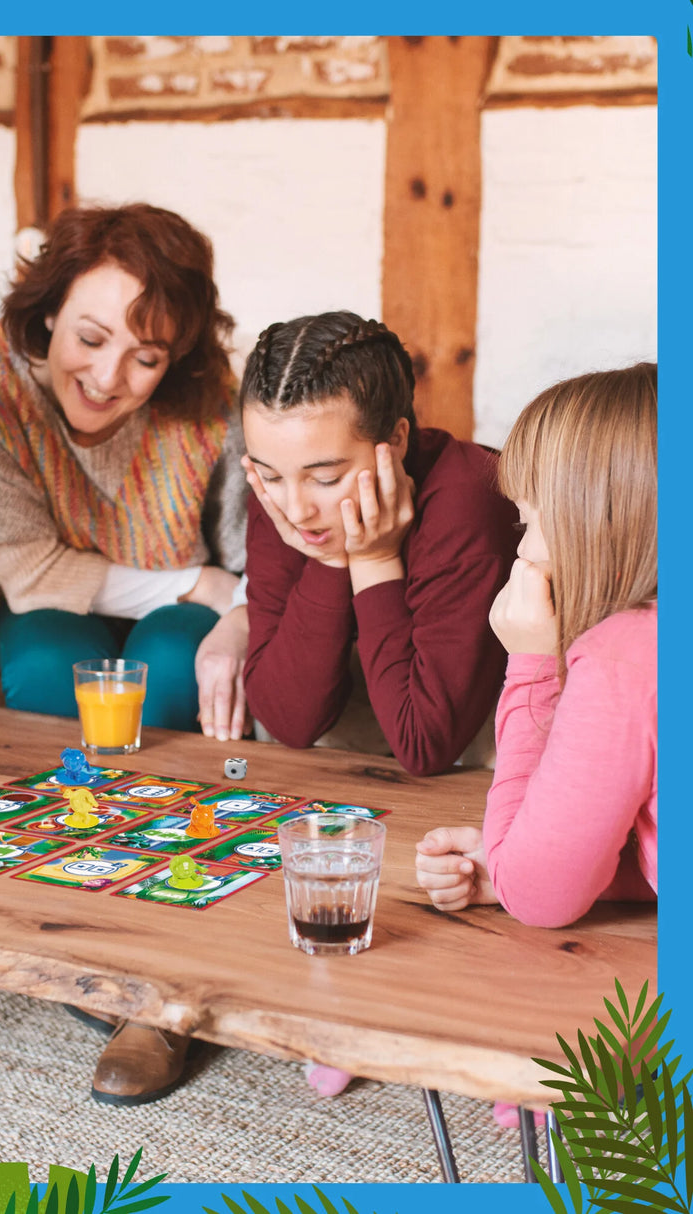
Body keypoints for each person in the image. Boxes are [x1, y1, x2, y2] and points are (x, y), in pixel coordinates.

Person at [0, 202, 247, 1105]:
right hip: (45, 604)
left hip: (179, 615)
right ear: (48, 310)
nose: (109, 375)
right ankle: (57, 916)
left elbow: (242, 567)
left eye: (147, 357)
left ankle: (153, 984)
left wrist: (215, 598)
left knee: (171, 668)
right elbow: (29, 570)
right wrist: (186, 583)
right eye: (89, 336)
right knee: (52, 668)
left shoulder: (213, 402)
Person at [239, 310, 518, 1098]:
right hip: (360, 760)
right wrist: (337, 557)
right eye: (269, 472)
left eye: (327, 477)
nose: (295, 506)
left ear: (393, 441)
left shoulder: (467, 494)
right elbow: (290, 719)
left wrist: (374, 555)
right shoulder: (279, 497)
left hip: (474, 750)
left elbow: (427, 742)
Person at [415, 363, 657, 1125]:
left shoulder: (628, 651)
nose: (521, 547)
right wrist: (519, 849)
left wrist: (530, 657)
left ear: (597, 520)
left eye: (529, 518)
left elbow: (541, 899)